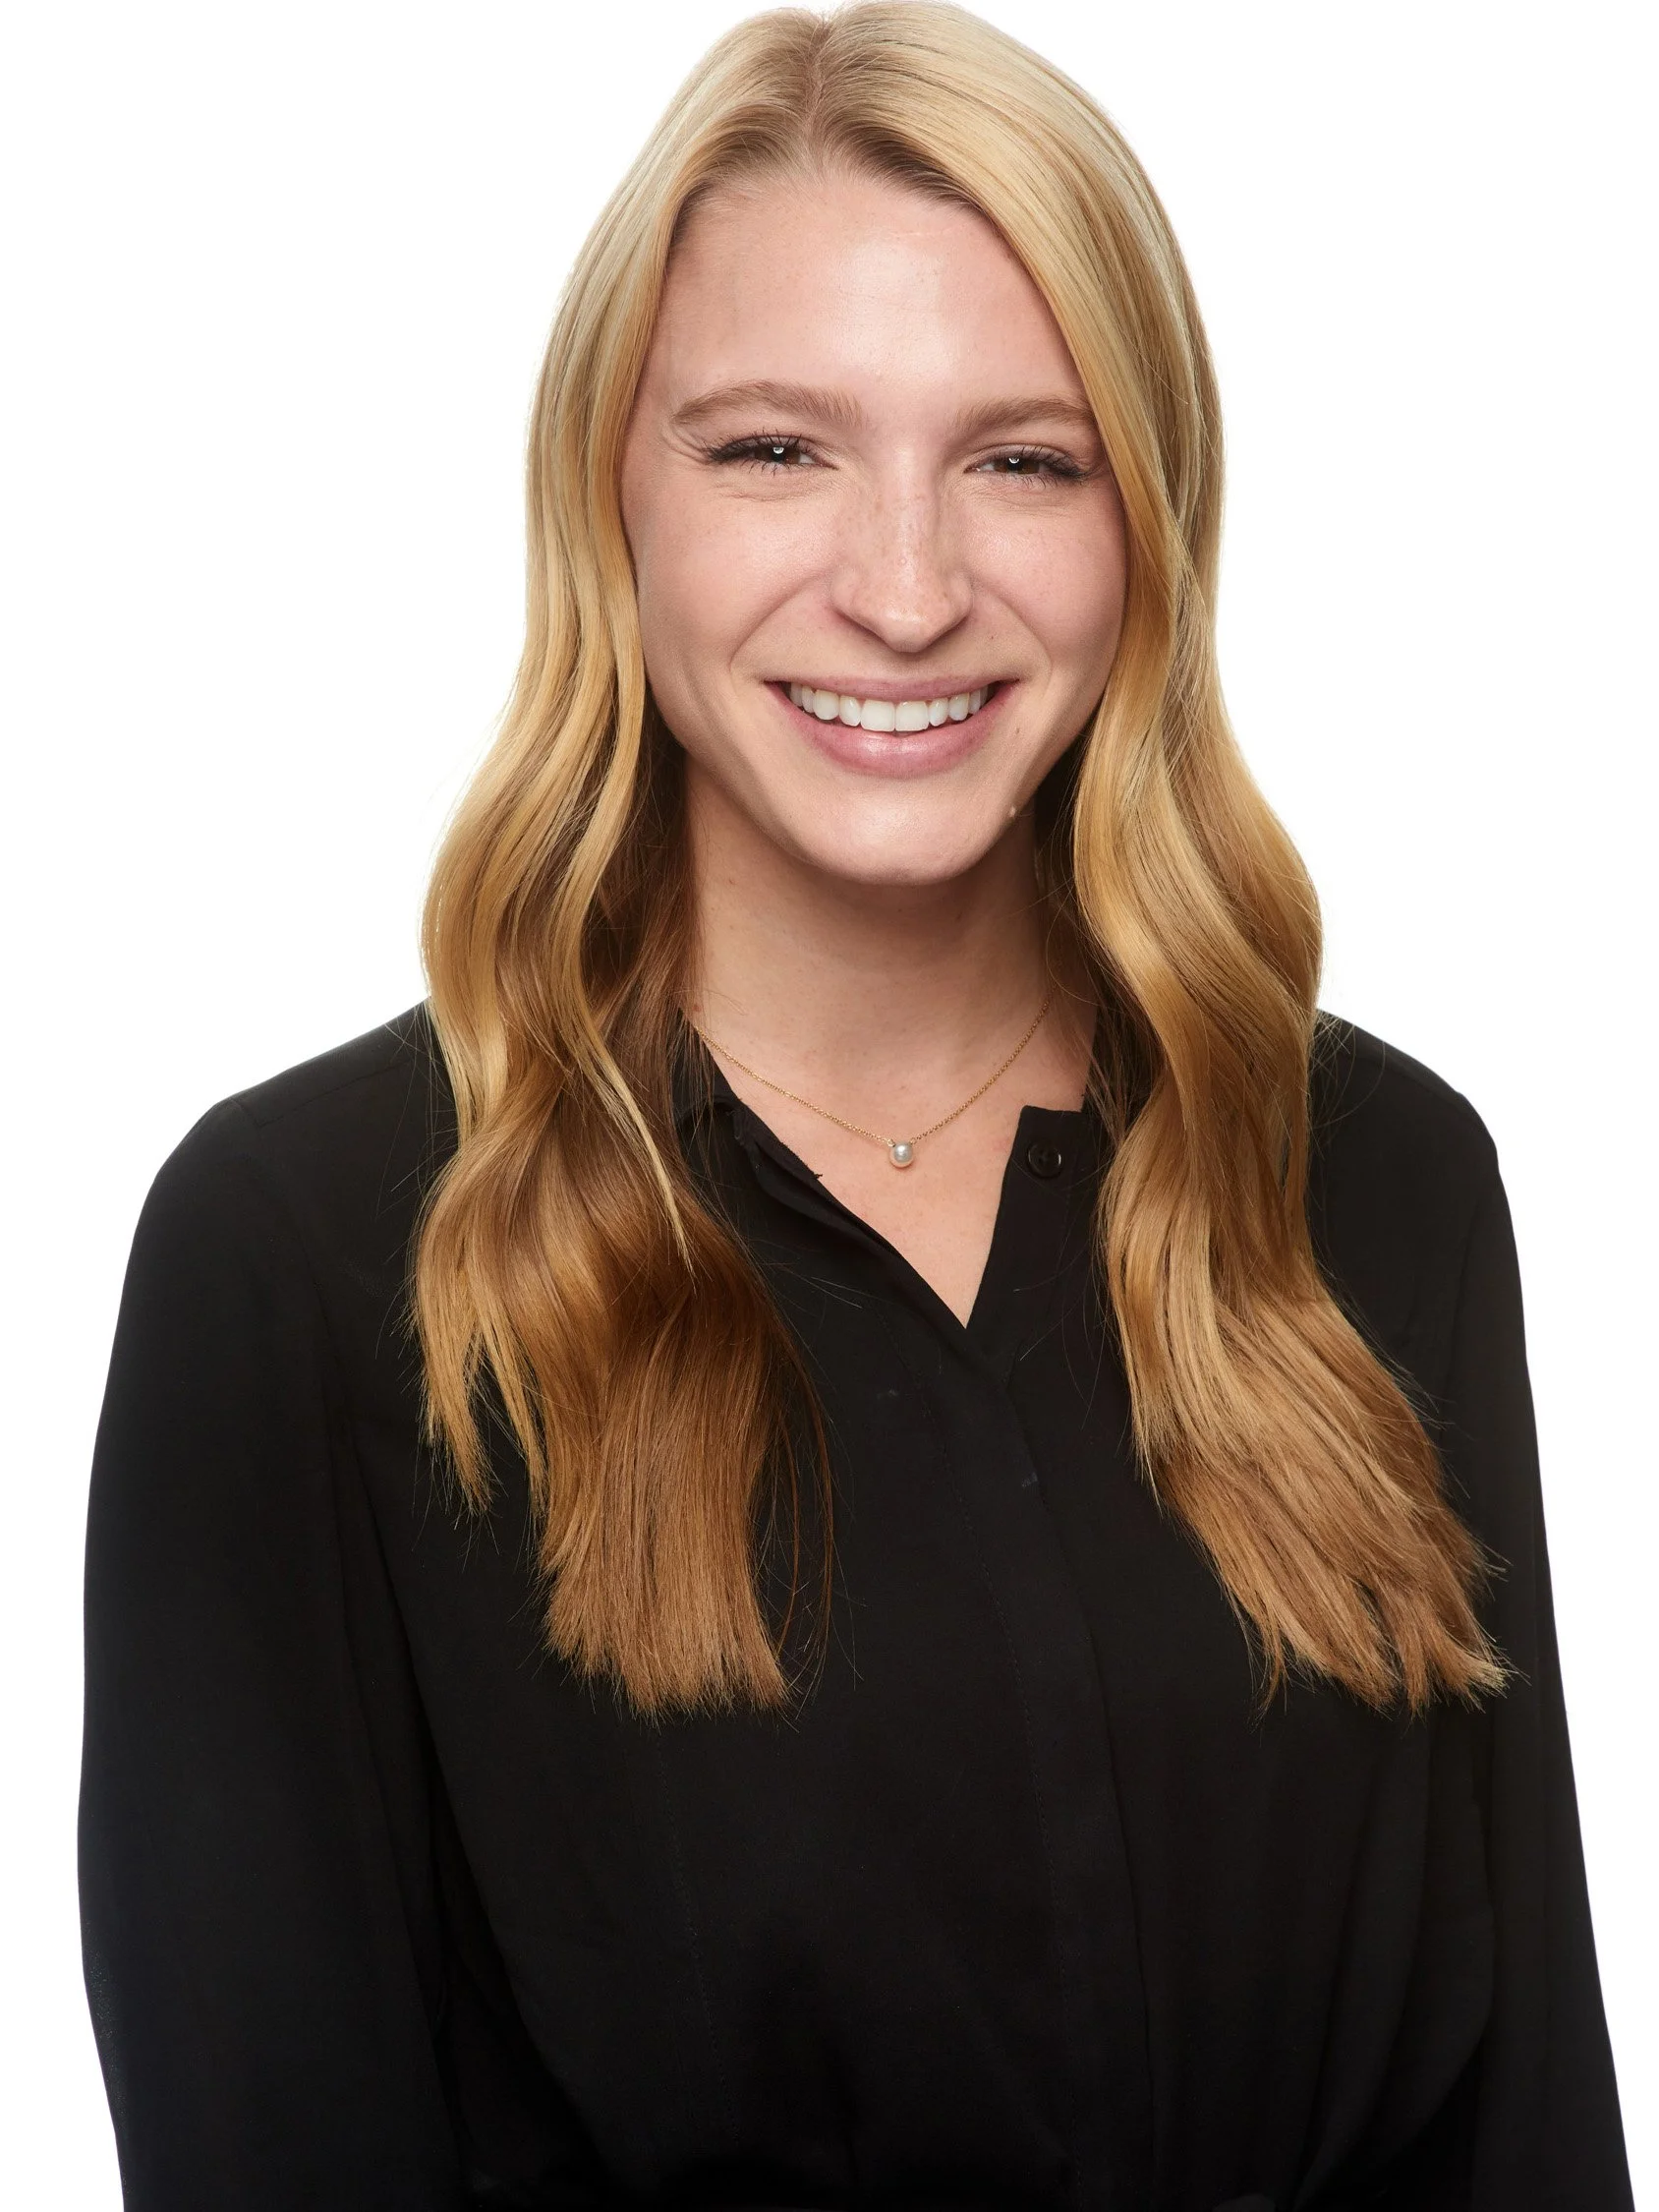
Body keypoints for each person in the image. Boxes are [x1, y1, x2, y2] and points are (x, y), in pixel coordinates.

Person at [78, 6, 1633, 2207]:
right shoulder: (308, 1258)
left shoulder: (1374, 1186)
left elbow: (1526, 2130)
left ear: (1150, 524)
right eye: (773, 450)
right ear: (608, 495)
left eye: (1024, 458)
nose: (906, 589)